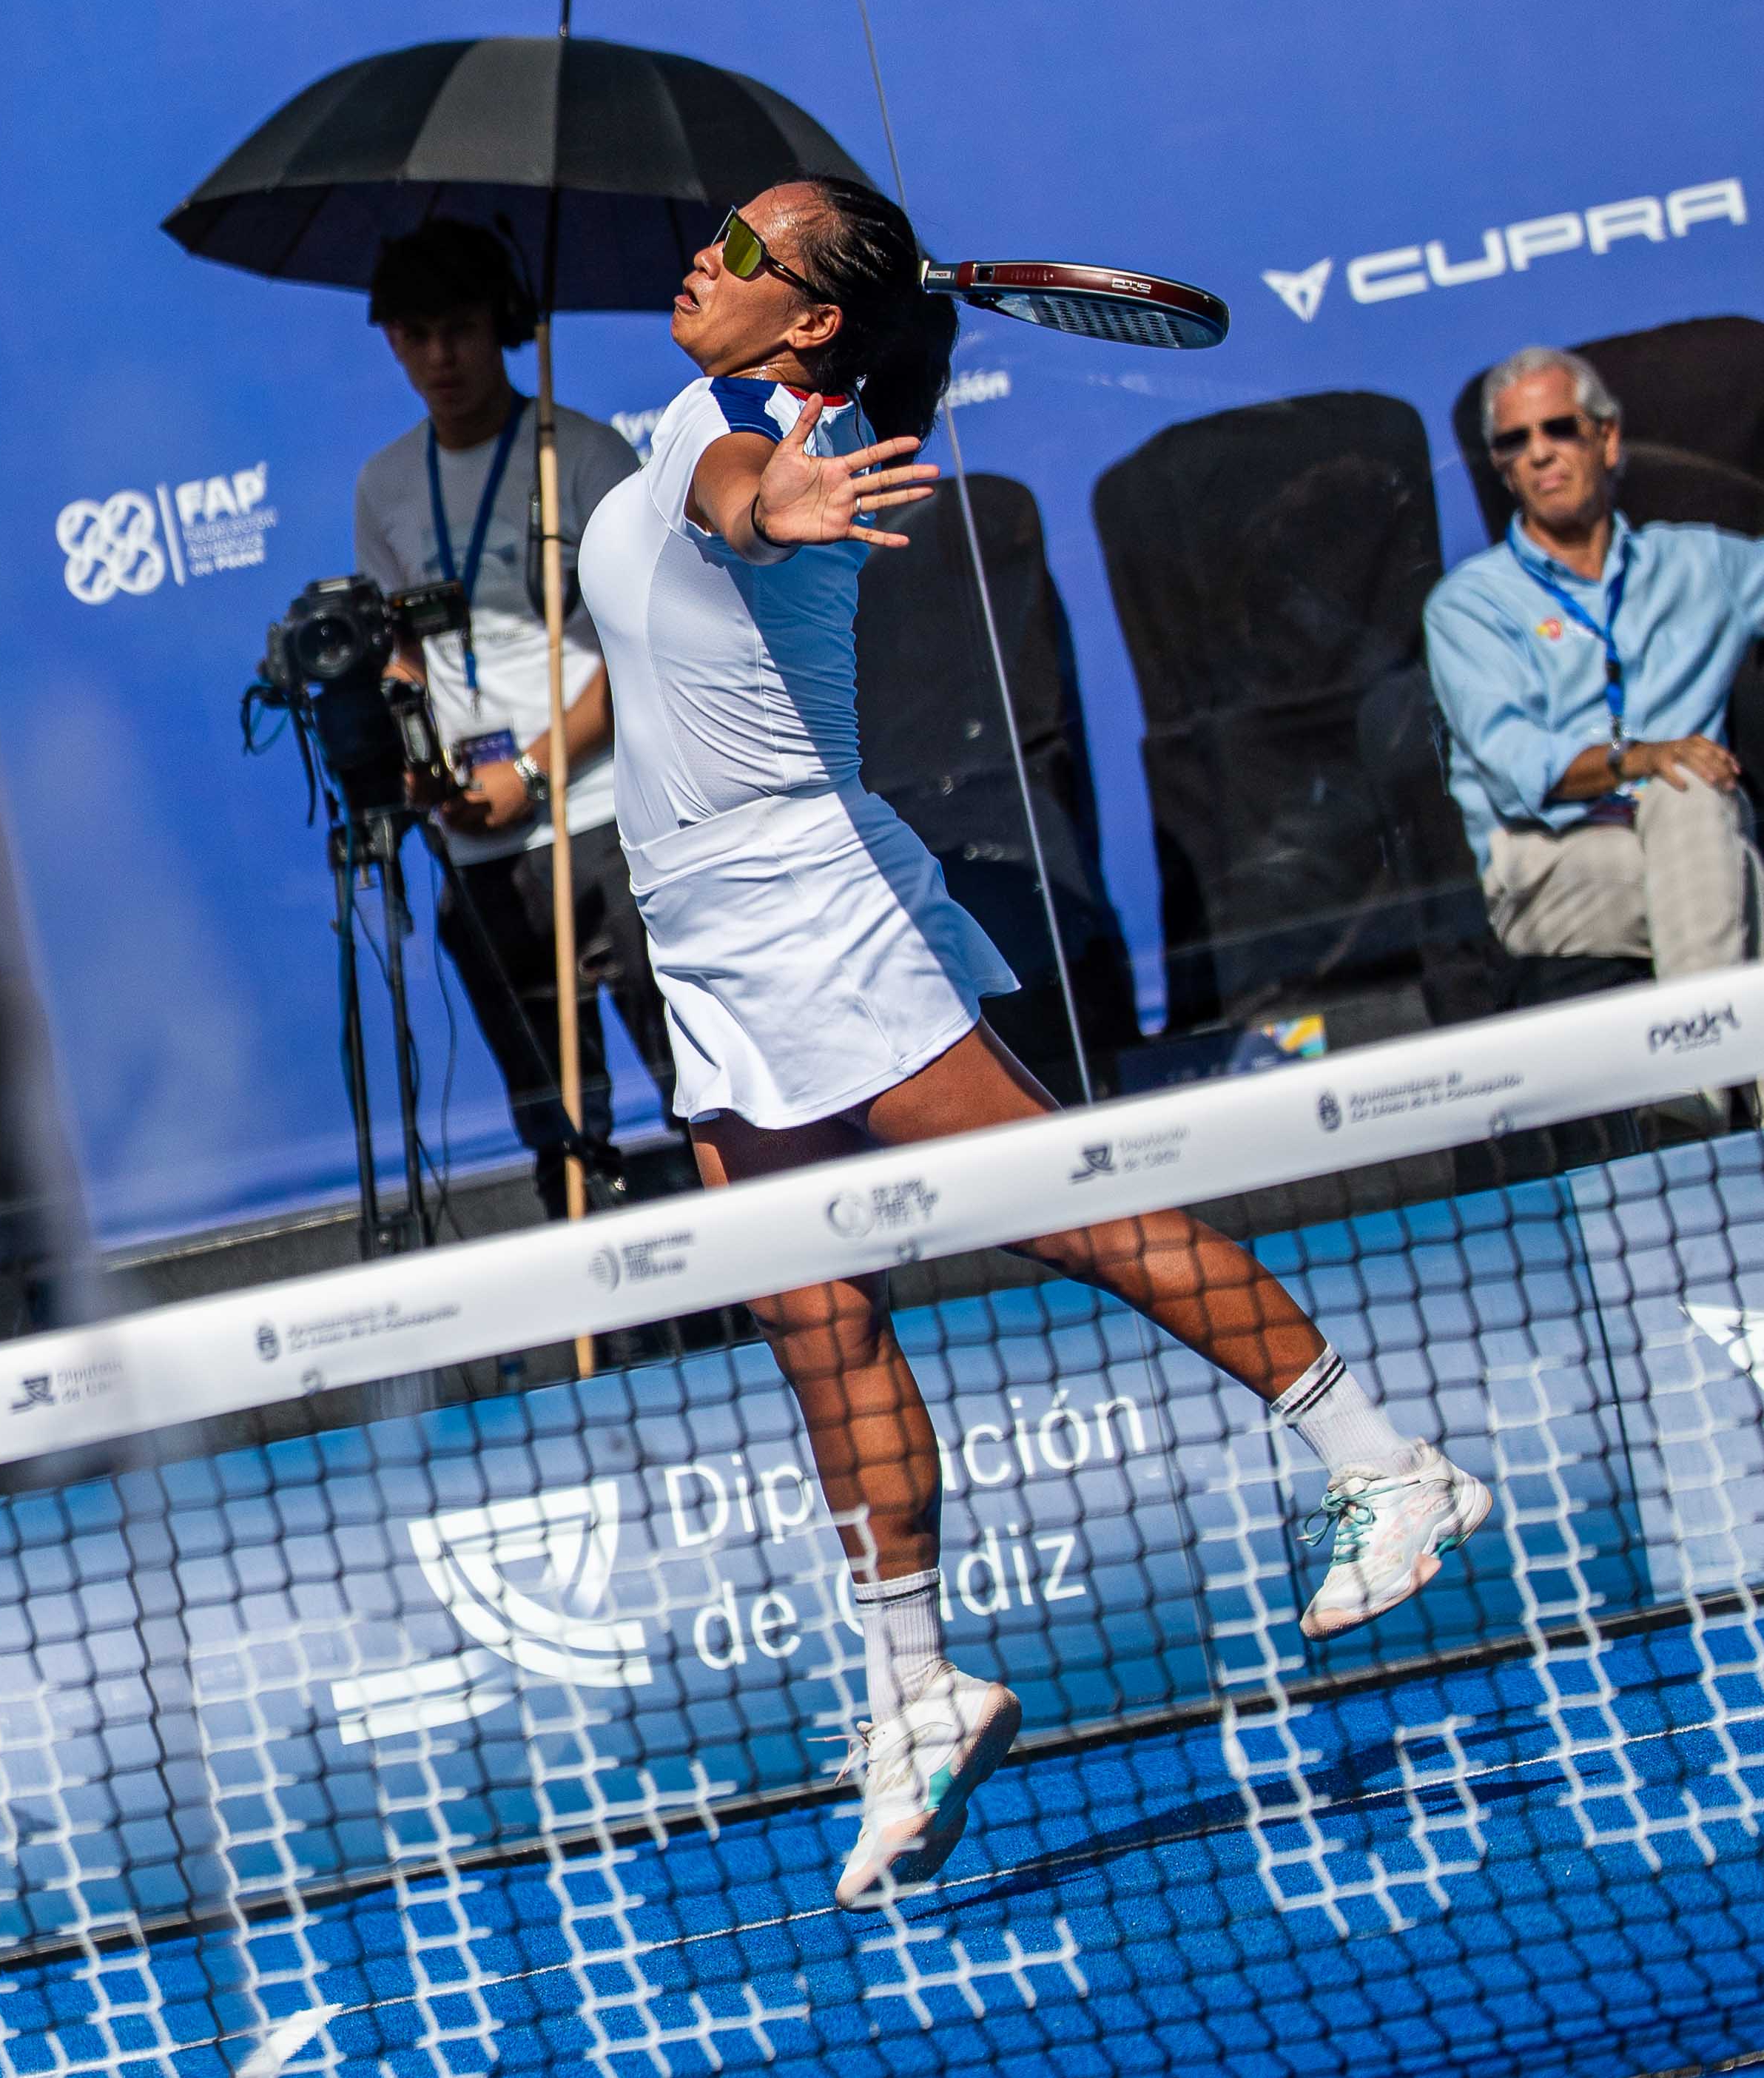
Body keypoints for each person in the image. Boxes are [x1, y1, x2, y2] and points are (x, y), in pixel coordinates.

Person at [575, 175, 1492, 1909]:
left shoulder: (768, 436)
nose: (706, 253)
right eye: (718, 228)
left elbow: (744, 502)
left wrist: (776, 502)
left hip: (814, 912)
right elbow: (694, 524)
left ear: (815, 322)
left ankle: (1385, 1466)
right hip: (704, 943)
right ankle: (915, 1686)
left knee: (1058, 1205)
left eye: (749, 248)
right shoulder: (692, 407)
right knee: (814, 1321)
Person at [353, 222, 690, 1220]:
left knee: (699, 1089)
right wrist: (416, 765)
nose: (441, 357)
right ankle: (608, 1294)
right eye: (416, 335)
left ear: (501, 325)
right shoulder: (383, 483)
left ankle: (776, 1282)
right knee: (559, 1131)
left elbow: (646, 650)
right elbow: (401, 655)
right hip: (479, 848)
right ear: (391, 341)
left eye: (459, 328)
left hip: (610, 820)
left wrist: (535, 772)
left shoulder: (581, 455)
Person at [1427, 347, 1764, 1007]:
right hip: (1551, 860)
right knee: (1702, 816)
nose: (1539, 454)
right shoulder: (1471, 605)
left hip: (1693, 834)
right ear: (1502, 467)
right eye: (1515, 441)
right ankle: (1712, 1054)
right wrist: (1640, 758)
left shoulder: (1699, 565)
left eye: (1559, 429)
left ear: (1606, 439)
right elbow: (1517, 765)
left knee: (1695, 819)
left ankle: (1699, 1065)